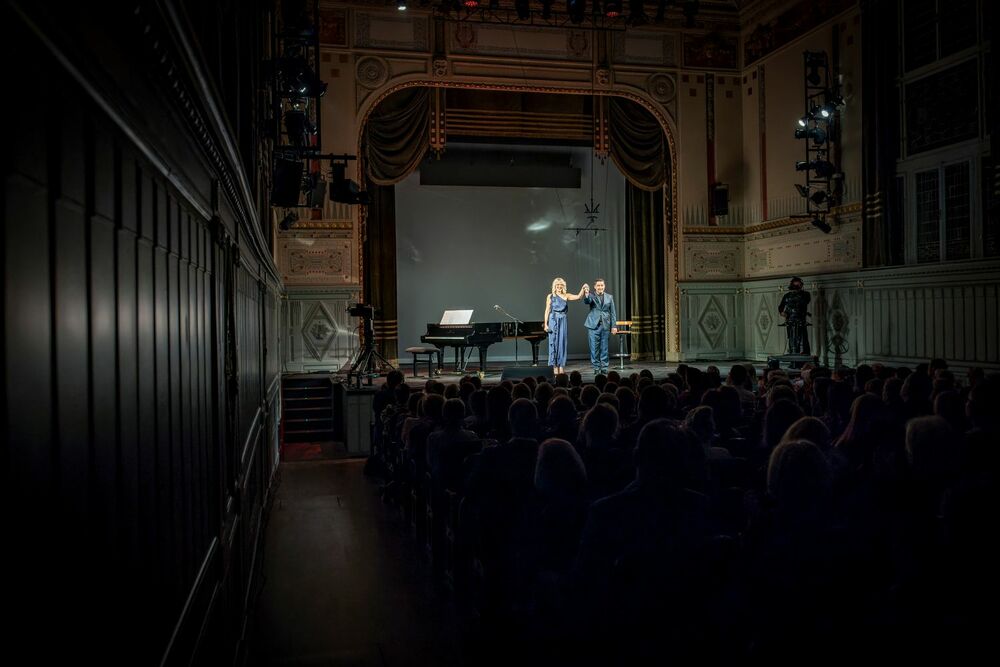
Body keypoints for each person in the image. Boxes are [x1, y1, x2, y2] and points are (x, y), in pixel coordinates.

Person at [543, 277, 586, 375]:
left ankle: (561, 366)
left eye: (561, 285)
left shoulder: (566, 295)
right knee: (553, 343)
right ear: (554, 286)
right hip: (553, 320)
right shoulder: (550, 296)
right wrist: (545, 324)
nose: (559, 286)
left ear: (563, 286)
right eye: (557, 285)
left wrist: (583, 288)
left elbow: (579, 297)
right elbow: (547, 310)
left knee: (562, 343)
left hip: (562, 320)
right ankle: (554, 366)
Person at [582, 278, 618, 375]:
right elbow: (587, 301)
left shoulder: (609, 297)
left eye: (602, 285)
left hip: (605, 326)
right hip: (594, 326)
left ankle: (604, 367)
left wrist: (614, 326)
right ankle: (596, 367)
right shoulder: (591, 295)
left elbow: (613, 312)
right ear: (595, 287)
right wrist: (586, 293)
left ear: (604, 286)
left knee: (604, 348)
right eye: (598, 285)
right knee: (594, 348)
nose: (600, 287)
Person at [777, 276, 811, 356]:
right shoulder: (787, 295)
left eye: (798, 285)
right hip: (790, 321)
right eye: (795, 285)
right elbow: (781, 307)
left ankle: (804, 360)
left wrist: (797, 293)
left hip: (801, 321)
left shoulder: (805, 294)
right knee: (792, 340)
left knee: (802, 340)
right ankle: (793, 360)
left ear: (801, 285)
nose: (797, 287)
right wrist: (782, 313)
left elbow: (804, 301)